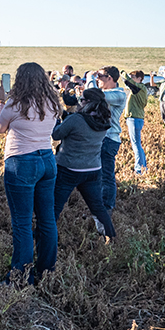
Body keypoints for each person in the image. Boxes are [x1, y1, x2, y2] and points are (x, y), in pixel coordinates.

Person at [0, 62, 60, 283]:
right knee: (47, 219)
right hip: (47, 160)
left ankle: (21, 276)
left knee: (22, 223)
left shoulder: (15, 103)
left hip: (22, 162)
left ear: (19, 79)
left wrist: (0, 103)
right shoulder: (52, 101)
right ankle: (46, 271)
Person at [52, 87, 116, 240]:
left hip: (68, 169)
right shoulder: (104, 119)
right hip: (93, 170)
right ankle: (112, 237)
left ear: (88, 102)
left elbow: (56, 134)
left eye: (81, 100)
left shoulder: (76, 119)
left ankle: (42, 237)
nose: (79, 102)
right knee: (98, 208)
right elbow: (82, 124)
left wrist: (57, 120)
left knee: (54, 208)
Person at [94, 67, 127, 216]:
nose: (97, 79)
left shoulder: (119, 94)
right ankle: (99, 207)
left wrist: (89, 80)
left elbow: (97, 96)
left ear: (111, 78)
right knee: (98, 176)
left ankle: (107, 208)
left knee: (106, 176)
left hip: (109, 139)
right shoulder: (108, 93)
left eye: (100, 76)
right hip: (101, 139)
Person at [122, 70, 149, 174]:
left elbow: (127, 81)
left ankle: (139, 169)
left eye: (133, 76)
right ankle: (143, 167)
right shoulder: (139, 89)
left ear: (139, 79)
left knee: (136, 144)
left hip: (134, 118)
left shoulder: (139, 88)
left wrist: (122, 72)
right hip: (135, 118)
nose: (131, 78)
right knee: (137, 144)